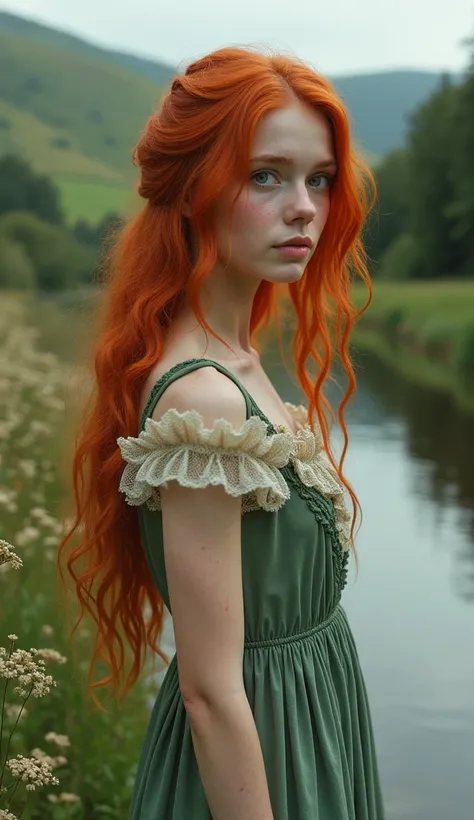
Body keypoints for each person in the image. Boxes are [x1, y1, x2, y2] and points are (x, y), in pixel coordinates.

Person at [59, 46, 385, 820]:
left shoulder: (236, 361)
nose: (304, 206)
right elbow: (208, 690)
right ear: (191, 190)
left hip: (310, 731)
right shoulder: (204, 401)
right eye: (265, 175)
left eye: (319, 178)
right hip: (259, 766)